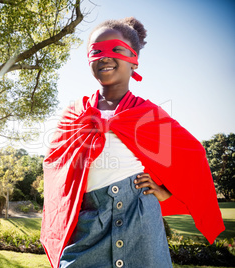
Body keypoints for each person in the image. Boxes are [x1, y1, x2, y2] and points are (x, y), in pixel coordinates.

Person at [40, 17, 225, 268]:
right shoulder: (75, 113)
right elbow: (54, 164)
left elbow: (192, 155)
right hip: (89, 225)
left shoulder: (148, 115)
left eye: (116, 49)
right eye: (96, 51)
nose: (105, 57)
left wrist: (165, 192)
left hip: (141, 223)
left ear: (133, 60)